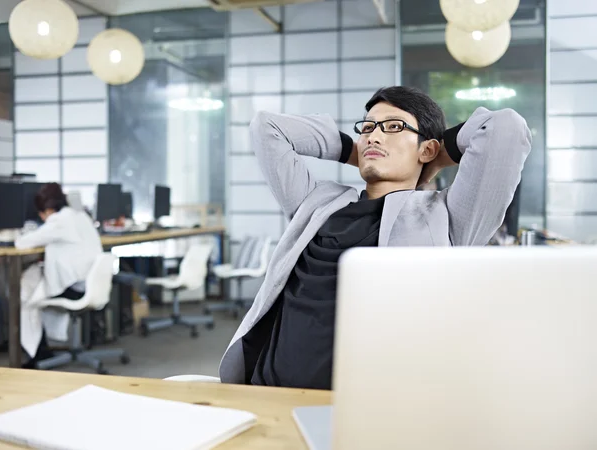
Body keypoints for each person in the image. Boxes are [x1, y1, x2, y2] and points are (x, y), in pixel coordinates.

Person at [219, 86, 532, 389]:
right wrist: (359, 152)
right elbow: (267, 128)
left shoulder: (447, 217)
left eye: (394, 126)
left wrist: (434, 157)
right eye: (367, 128)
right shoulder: (316, 202)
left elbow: (505, 128)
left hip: (372, 407)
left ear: (427, 147)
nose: (374, 135)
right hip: (267, 392)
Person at [15, 182, 102, 368]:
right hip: (89, 283)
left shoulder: (58, 221)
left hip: (75, 287)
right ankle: (42, 348)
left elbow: (23, 243)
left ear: (46, 209)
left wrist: (17, 233)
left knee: (24, 291)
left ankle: (36, 353)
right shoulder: (80, 215)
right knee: (33, 280)